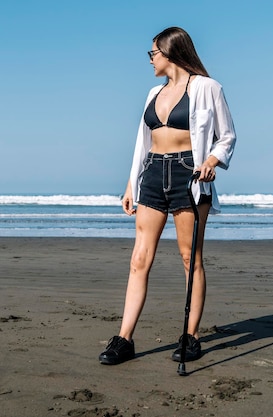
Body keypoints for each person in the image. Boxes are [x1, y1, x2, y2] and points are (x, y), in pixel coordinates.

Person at [99, 27, 236, 365]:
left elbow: (227, 135)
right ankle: (124, 339)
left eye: (153, 53)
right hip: (152, 176)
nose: (150, 59)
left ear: (171, 52)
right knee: (139, 259)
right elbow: (142, 145)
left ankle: (191, 337)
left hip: (189, 175)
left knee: (190, 260)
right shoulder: (152, 94)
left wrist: (212, 161)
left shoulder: (207, 88)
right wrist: (131, 184)